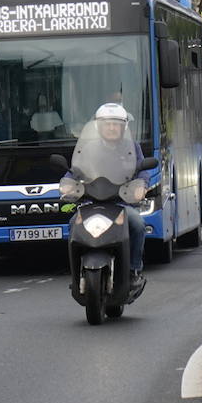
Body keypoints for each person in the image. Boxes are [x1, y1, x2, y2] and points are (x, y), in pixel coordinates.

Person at [66, 103, 148, 296]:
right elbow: (74, 171)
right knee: (72, 224)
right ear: (98, 127)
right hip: (91, 203)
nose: (111, 128)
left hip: (120, 204)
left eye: (116, 124)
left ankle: (133, 271)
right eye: (107, 124)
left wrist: (141, 186)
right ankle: (77, 274)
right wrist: (69, 183)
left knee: (137, 224)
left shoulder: (131, 148)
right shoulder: (87, 148)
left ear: (123, 127)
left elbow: (142, 170)